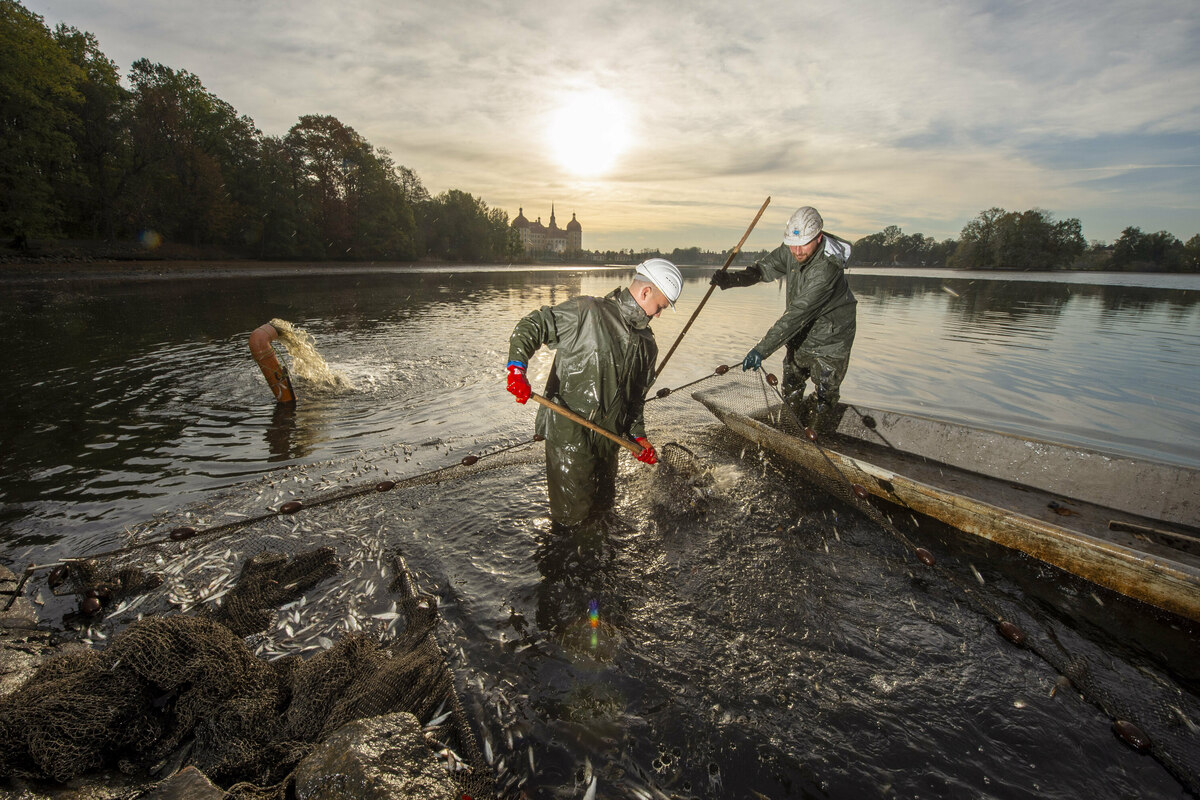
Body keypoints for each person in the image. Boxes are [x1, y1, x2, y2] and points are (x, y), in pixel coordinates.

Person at [505, 258, 682, 527]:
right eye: (660, 307)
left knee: (603, 513)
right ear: (646, 292)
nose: (658, 315)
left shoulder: (648, 345)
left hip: (609, 440)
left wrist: (638, 436)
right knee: (572, 520)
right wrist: (517, 368)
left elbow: (635, 401)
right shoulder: (587, 312)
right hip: (569, 433)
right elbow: (533, 325)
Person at [711, 206, 856, 429]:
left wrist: (761, 350)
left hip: (831, 338)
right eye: (792, 245)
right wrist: (732, 280)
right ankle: (789, 431)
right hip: (800, 334)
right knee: (792, 384)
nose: (796, 251)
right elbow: (763, 270)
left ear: (818, 237)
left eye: (803, 244)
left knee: (825, 394)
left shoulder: (826, 269)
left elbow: (797, 314)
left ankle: (817, 438)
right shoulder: (792, 249)